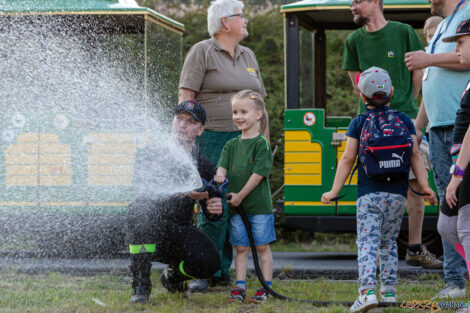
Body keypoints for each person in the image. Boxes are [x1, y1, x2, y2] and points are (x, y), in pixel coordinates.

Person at [321, 67, 436, 313]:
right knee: (388, 243)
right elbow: (415, 154)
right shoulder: (404, 119)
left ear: (362, 97)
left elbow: (347, 159)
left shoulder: (358, 123)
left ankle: (367, 293)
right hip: (396, 196)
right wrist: (424, 186)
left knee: (367, 243)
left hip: (368, 195)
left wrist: (333, 191)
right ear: (392, 92)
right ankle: (390, 293)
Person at [178, 0, 267, 292]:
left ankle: (225, 270)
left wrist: (263, 139)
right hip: (212, 138)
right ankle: (206, 269)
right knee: (213, 204)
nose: (246, 20)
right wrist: (184, 138)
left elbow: (260, 104)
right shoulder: (201, 51)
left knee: (237, 202)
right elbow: (186, 99)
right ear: (225, 22)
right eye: (241, 16)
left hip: (246, 140)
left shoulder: (248, 55)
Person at [404, 0, 470, 300]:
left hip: (461, 128)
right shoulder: (444, 22)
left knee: (461, 209)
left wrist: (427, 60)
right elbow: (432, 83)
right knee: (449, 208)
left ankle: (457, 282)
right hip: (438, 126)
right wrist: (418, 128)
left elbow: (464, 58)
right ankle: (455, 281)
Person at [126, 100, 223, 303]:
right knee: (140, 211)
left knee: (210, 261)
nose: (182, 124)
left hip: (177, 234)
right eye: (179, 118)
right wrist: (185, 193)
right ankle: (141, 283)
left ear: (201, 129)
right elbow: (140, 194)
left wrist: (215, 208)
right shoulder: (149, 153)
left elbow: (211, 213)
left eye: (190, 121)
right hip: (148, 230)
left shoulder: (204, 165)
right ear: (172, 122)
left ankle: (172, 277)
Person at [214, 90, 275, 303]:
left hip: (258, 206)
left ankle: (265, 287)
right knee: (241, 248)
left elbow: (258, 174)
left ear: (258, 115)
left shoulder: (261, 144)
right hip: (236, 208)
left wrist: (240, 195)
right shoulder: (231, 144)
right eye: (235, 112)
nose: (238, 116)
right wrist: (220, 174)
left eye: (243, 112)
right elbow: (222, 167)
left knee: (261, 247)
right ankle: (239, 288)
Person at [405, 16, 444, 270]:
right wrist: (418, 127)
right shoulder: (429, 61)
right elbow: (426, 98)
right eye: (427, 36)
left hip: (443, 129)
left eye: (435, 35)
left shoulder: (437, 60)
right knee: (426, 184)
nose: (430, 40)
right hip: (430, 130)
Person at [342, 0, 424, 119]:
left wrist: (408, 102)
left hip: (399, 116)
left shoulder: (404, 31)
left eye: (358, 2)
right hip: (373, 117)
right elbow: (357, 86)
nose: (353, 8)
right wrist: (408, 101)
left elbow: (419, 72)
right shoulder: (353, 41)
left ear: (375, 2)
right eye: (352, 4)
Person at [438, 20, 470, 312]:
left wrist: (457, 174)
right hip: (462, 162)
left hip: (467, 165)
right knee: (446, 224)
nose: (456, 49)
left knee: (465, 224)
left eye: (461, 42)